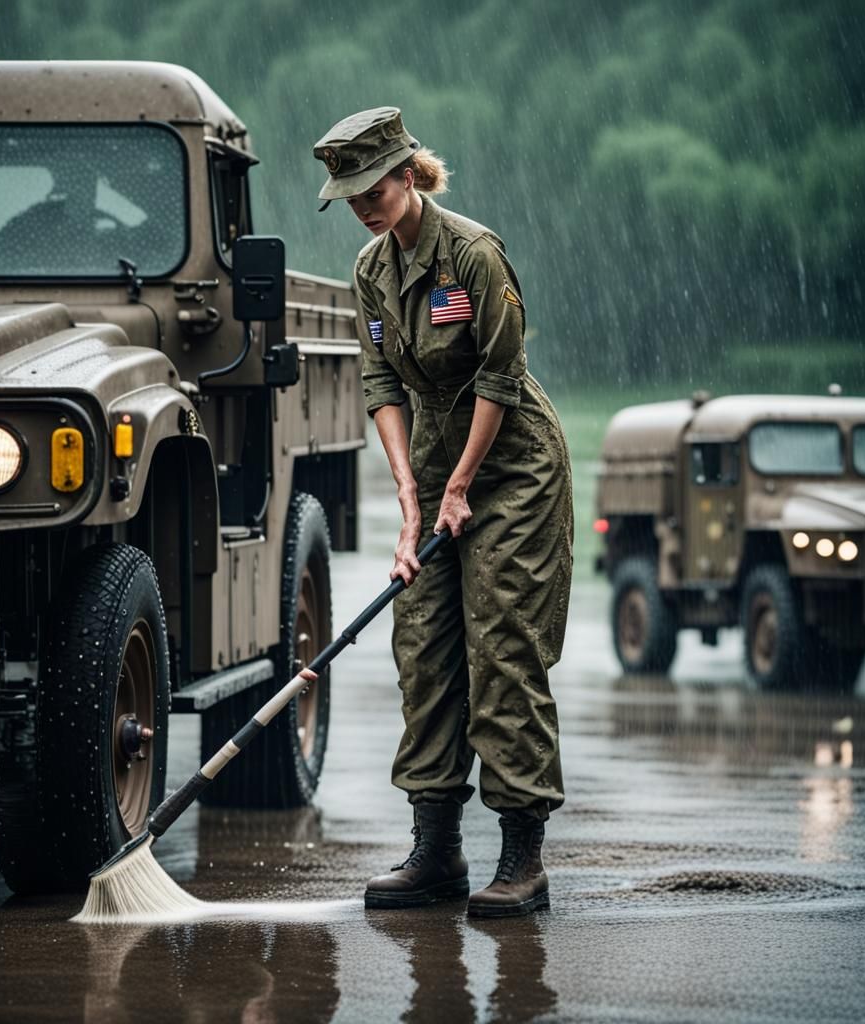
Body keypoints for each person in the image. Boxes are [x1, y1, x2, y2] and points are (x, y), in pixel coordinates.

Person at [312, 107, 573, 918]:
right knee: (424, 647)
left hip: (514, 468)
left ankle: (522, 858)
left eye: (369, 187)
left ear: (406, 173)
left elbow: (499, 377)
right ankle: (436, 855)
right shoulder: (370, 269)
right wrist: (411, 496)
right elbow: (381, 383)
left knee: (503, 647)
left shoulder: (471, 254)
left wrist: (461, 485)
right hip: (433, 467)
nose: (360, 203)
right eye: (347, 193)